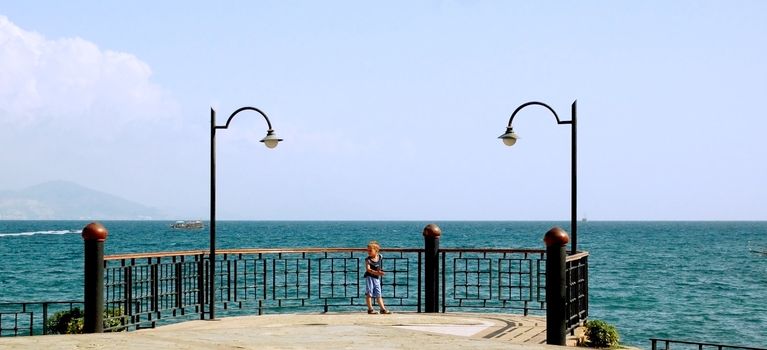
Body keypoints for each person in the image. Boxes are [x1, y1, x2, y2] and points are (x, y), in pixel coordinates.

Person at [364, 241, 390, 314]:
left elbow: (378, 266)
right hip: (370, 277)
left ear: (376, 250)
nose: (368, 252)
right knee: (369, 293)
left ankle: (382, 309)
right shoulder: (368, 260)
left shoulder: (379, 257)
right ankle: (370, 309)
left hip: (376, 278)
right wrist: (377, 273)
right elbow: (368, 270)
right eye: (368, 250)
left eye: (370, 250)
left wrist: (380, 271)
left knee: (379, 293)